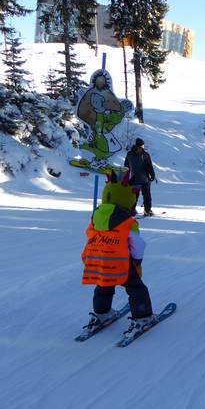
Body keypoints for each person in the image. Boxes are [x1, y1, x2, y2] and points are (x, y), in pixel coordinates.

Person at [81, 179, 155, 338]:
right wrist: (137, 261)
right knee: (136, 288)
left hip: (99, 260)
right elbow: (137, 245)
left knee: (103, 285)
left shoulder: (95, 217)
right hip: (121, 263)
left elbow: (90, 236)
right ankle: (143, 317)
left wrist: (87, 256)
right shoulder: (128, 222)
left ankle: (102, 313)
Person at [124, 138, 156, 216]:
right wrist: (152, 175)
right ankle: (147, 210)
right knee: (146, 195)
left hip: (134, 179)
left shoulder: (129, 154)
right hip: (144, 179)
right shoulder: (145, 154)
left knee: (134, 196)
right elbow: (149, 166)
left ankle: (131, 210)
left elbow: (126, 165)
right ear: (142, 145)